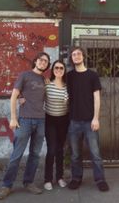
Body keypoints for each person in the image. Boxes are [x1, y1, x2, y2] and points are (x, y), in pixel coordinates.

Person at [0, 52, 50, 200]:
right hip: (24, 120)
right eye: (40, 60)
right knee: (16, 155)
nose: (43, 62)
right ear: (36, 61)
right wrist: (13, 118)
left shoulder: (45, 80)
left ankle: (28, 182)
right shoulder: (24, 75)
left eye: (45, 61)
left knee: (35, 155)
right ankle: (6, 185)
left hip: (41, 121)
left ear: (47, 65)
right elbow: (14, 96)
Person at [66, 46, 109, 192]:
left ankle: (100, 180)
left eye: (78, 54)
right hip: (73, 121)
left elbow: (97, 97)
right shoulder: (69, 76)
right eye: (73, 54)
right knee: (75, 154)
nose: (76, 56)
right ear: (71, 58)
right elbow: (56, 86)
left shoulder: (92, 75)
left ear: (83, 56)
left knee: (95, 154)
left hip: (90, 121)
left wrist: (96, 118)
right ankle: (76, 178)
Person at [43, 60, 69, 191]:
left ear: (64, 71)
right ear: (53, 70)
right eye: (56, 68)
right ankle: (47, 179)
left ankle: (59, 177)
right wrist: (21, 97)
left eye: (61, 68)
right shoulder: (47, 85)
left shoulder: (67, 86)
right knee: (52, 149)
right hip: (50, 120)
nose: (58, 70)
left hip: (63, 121)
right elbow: (34, 94)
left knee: (60, 150)